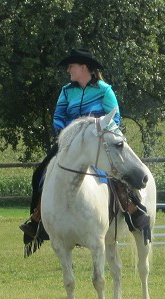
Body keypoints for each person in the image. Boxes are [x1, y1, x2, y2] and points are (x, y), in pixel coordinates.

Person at [19, 48, 150, 251]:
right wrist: (65, 136)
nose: (68, 69)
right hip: (70, 144)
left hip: (98, 141)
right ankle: (37, 218)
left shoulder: (104, 90)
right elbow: (58, 116)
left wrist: (98, 131)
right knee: (41, 173)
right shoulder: (66, 91)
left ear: (84, 67)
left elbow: (114, 118)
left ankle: (132, 209)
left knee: (115, 172)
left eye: (71, 65)